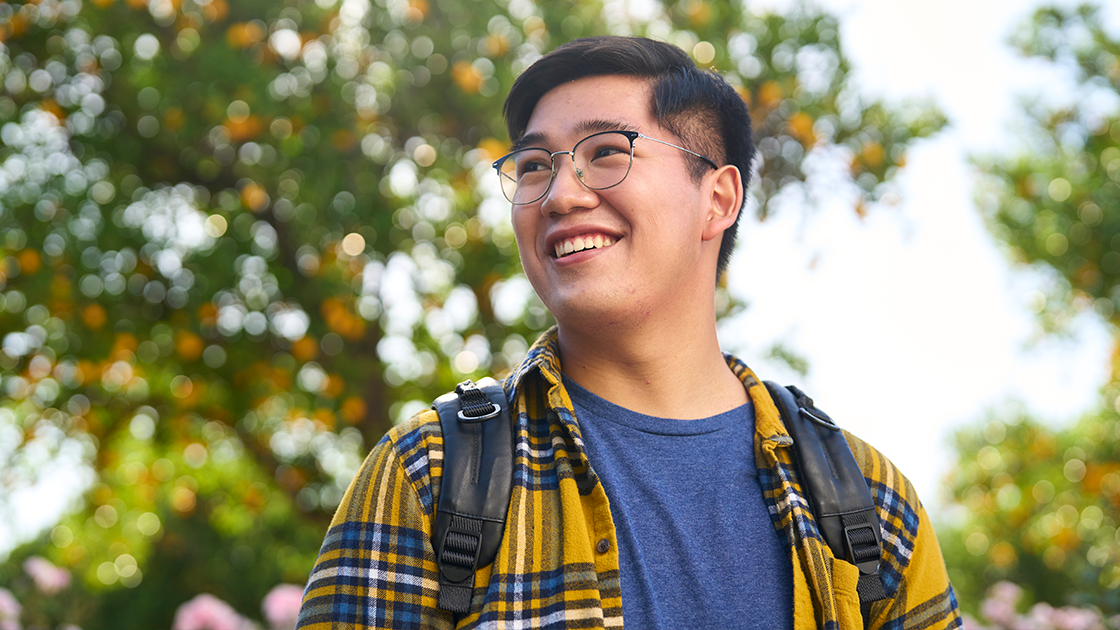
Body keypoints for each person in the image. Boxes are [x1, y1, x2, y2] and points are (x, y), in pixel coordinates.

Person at [296, 36, 962, 629]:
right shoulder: (430, 474)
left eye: (606, 153)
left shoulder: (868, 501)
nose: (560, 195)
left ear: (718, 199)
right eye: (533, 166)